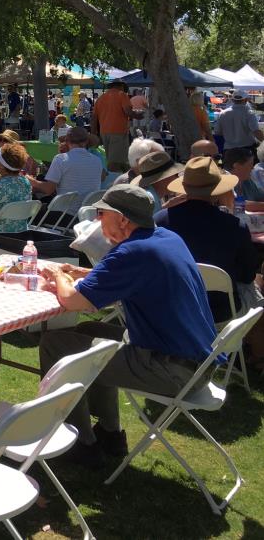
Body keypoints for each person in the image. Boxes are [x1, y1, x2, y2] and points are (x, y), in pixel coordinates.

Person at [38, 184, 217, 465]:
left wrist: (58, 273)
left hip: (171, 369)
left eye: (101, 213)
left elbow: (73, 301)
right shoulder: (166, 239)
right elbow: (129, 276)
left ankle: (79, 443)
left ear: (122, 219)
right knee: (89, 333)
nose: (97, 220)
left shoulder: (133, 252)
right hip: (197, 363)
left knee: (55, 344)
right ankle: (110, 433)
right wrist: (84, 272)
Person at [156, 157, 258, 320]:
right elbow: (247, 276)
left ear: (184, 186)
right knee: (256, 294)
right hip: (222, 314)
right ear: (217, 188)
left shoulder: (160, 222)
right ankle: (244, 344)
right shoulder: (234, 226)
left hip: (176, 313)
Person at [29, 127, 104, 199]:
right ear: (87, 141)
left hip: (65, 210)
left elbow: (48, 190)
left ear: (67, 141)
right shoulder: (97, 160)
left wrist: (28, 179)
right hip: (87, 210)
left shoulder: (61, 159)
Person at [91, 79, 134, 172]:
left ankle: (122, 179)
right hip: (118, 133)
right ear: (121, 86)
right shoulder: (122, 95)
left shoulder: (101, 98)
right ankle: (115, 182)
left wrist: (94, 134)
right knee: (115, 164)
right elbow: (128, 112)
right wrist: (138, 115)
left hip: (104, 133)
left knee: (115, 159)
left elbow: (94, 118)